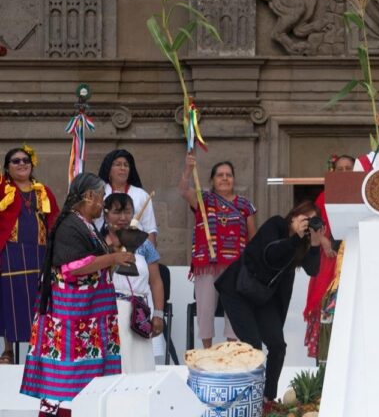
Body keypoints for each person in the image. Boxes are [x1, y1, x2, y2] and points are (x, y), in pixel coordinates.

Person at [20, 173, 134, 417]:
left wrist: (113, 254)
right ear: (89, 196)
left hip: (88, 318)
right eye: (101, 196)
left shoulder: (85, 224)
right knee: (61, 377)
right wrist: (113, 258)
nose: (103, 203)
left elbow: (91, 262)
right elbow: (73, 267)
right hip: (71, 320)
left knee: (84, 378)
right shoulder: (70, 225)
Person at [215, 201, 321, 410]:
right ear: (293, 216)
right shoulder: (276, 225)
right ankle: (249, 400)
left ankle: (267, 399)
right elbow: (270, 255)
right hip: (238, 289)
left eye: (312, 220)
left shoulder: (302, 242)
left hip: (263, 296)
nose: (306, 224)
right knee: (253, 344)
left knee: (277, 345)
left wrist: (315, 244)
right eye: (304, 218)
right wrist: (296, 239)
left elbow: (313, 269)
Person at [179, 152, 257, 348]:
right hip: (208, 264)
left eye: (228, 175)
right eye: (220, 175)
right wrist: (187, 171)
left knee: (235, 308)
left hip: (235, 267)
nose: (224, 178)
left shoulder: (244, 205)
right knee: (205, 307)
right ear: (212, 180)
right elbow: (183, 191)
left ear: (234, 179)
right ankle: (207, 350)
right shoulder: (204, 200)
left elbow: (253, 236)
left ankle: (231, 349)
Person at [0, 146, 59, 364]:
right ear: (7, 167)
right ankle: (8, 350)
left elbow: (54, 220)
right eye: (15, 161)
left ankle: (37, 350)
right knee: (9, 300)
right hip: (10, 252)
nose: (22, 163)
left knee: (39, 301)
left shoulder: (43, 191)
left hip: (39, 252)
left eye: (25, 160)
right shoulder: (1, 189)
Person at [101, 193, 164, 373]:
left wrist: (158, 314)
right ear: (105, 214)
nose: (123, 218)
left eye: (127, 212)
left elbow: (156, 280)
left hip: (140, 311)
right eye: (116, 212)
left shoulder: (144, 244)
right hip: (110, 311)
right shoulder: (99, 242)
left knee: (140, 363)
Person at [303, 154, 354, 362]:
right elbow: (312, 224)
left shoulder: (364, 195)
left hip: (353, 259)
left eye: (348, 169)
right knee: (325, 308)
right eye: (339, 169)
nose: (344, 173)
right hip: (329, 261)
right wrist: (323, 240)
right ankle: (323, 366)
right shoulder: (324, 197)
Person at [97, 149, 158, 246]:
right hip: (104, 248)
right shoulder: (98, 193)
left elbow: (150, 230)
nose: (123, 168)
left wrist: (150, 257)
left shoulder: (141, 195)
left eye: (126, 165)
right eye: (118, 164)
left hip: (137, 249)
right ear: (108, 170)